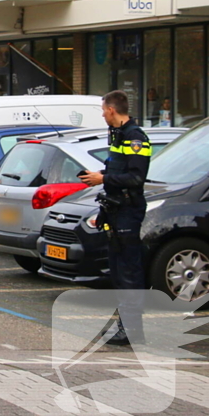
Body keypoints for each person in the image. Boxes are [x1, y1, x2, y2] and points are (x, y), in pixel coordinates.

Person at [80, 90, 151, 346]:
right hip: (115, 210)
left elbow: (135, 178)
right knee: (119, 271)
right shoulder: (119, 135)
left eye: (103, 110)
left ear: (112, 110)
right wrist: (99, 175)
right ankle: (123, 325)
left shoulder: (135, 138)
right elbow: (117, 170)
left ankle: (132, 331)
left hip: (128, 213)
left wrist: (104, 179)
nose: (102, 114)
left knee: (129, 271)